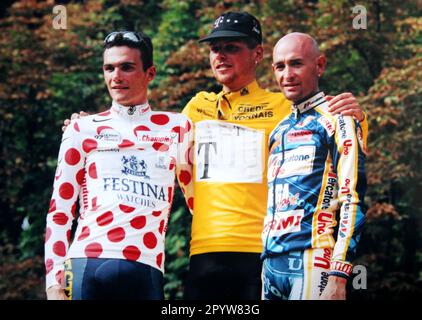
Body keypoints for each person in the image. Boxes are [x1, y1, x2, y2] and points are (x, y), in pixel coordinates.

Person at [182, 11, 368, 300]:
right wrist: (86, 127)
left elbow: (348, 157)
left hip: (262, 252)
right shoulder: (196, 107)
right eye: (214, 48)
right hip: (204, 251)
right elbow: (159, 151)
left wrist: (359, 117)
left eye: (231, 47)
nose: (220, 56)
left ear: (257, 54)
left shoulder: (285, 105)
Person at [45, 30, 193, 300]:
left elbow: (198, 204)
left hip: (146, 267)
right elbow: (59, 213)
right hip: (84, 264)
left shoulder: (178, 127)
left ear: (150, 73)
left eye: (126, 67)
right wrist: (53, 283)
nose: (116, 76)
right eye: (109, 68)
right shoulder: (81, 128)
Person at [261, 32, 366, 300]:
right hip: (270, 262)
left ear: (319, 65)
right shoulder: (279, 129)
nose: (287, 75)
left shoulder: (339, 119)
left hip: (313, 258)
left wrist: (339, 274)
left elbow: (352, 200)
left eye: (296, 64)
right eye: (280, 66)